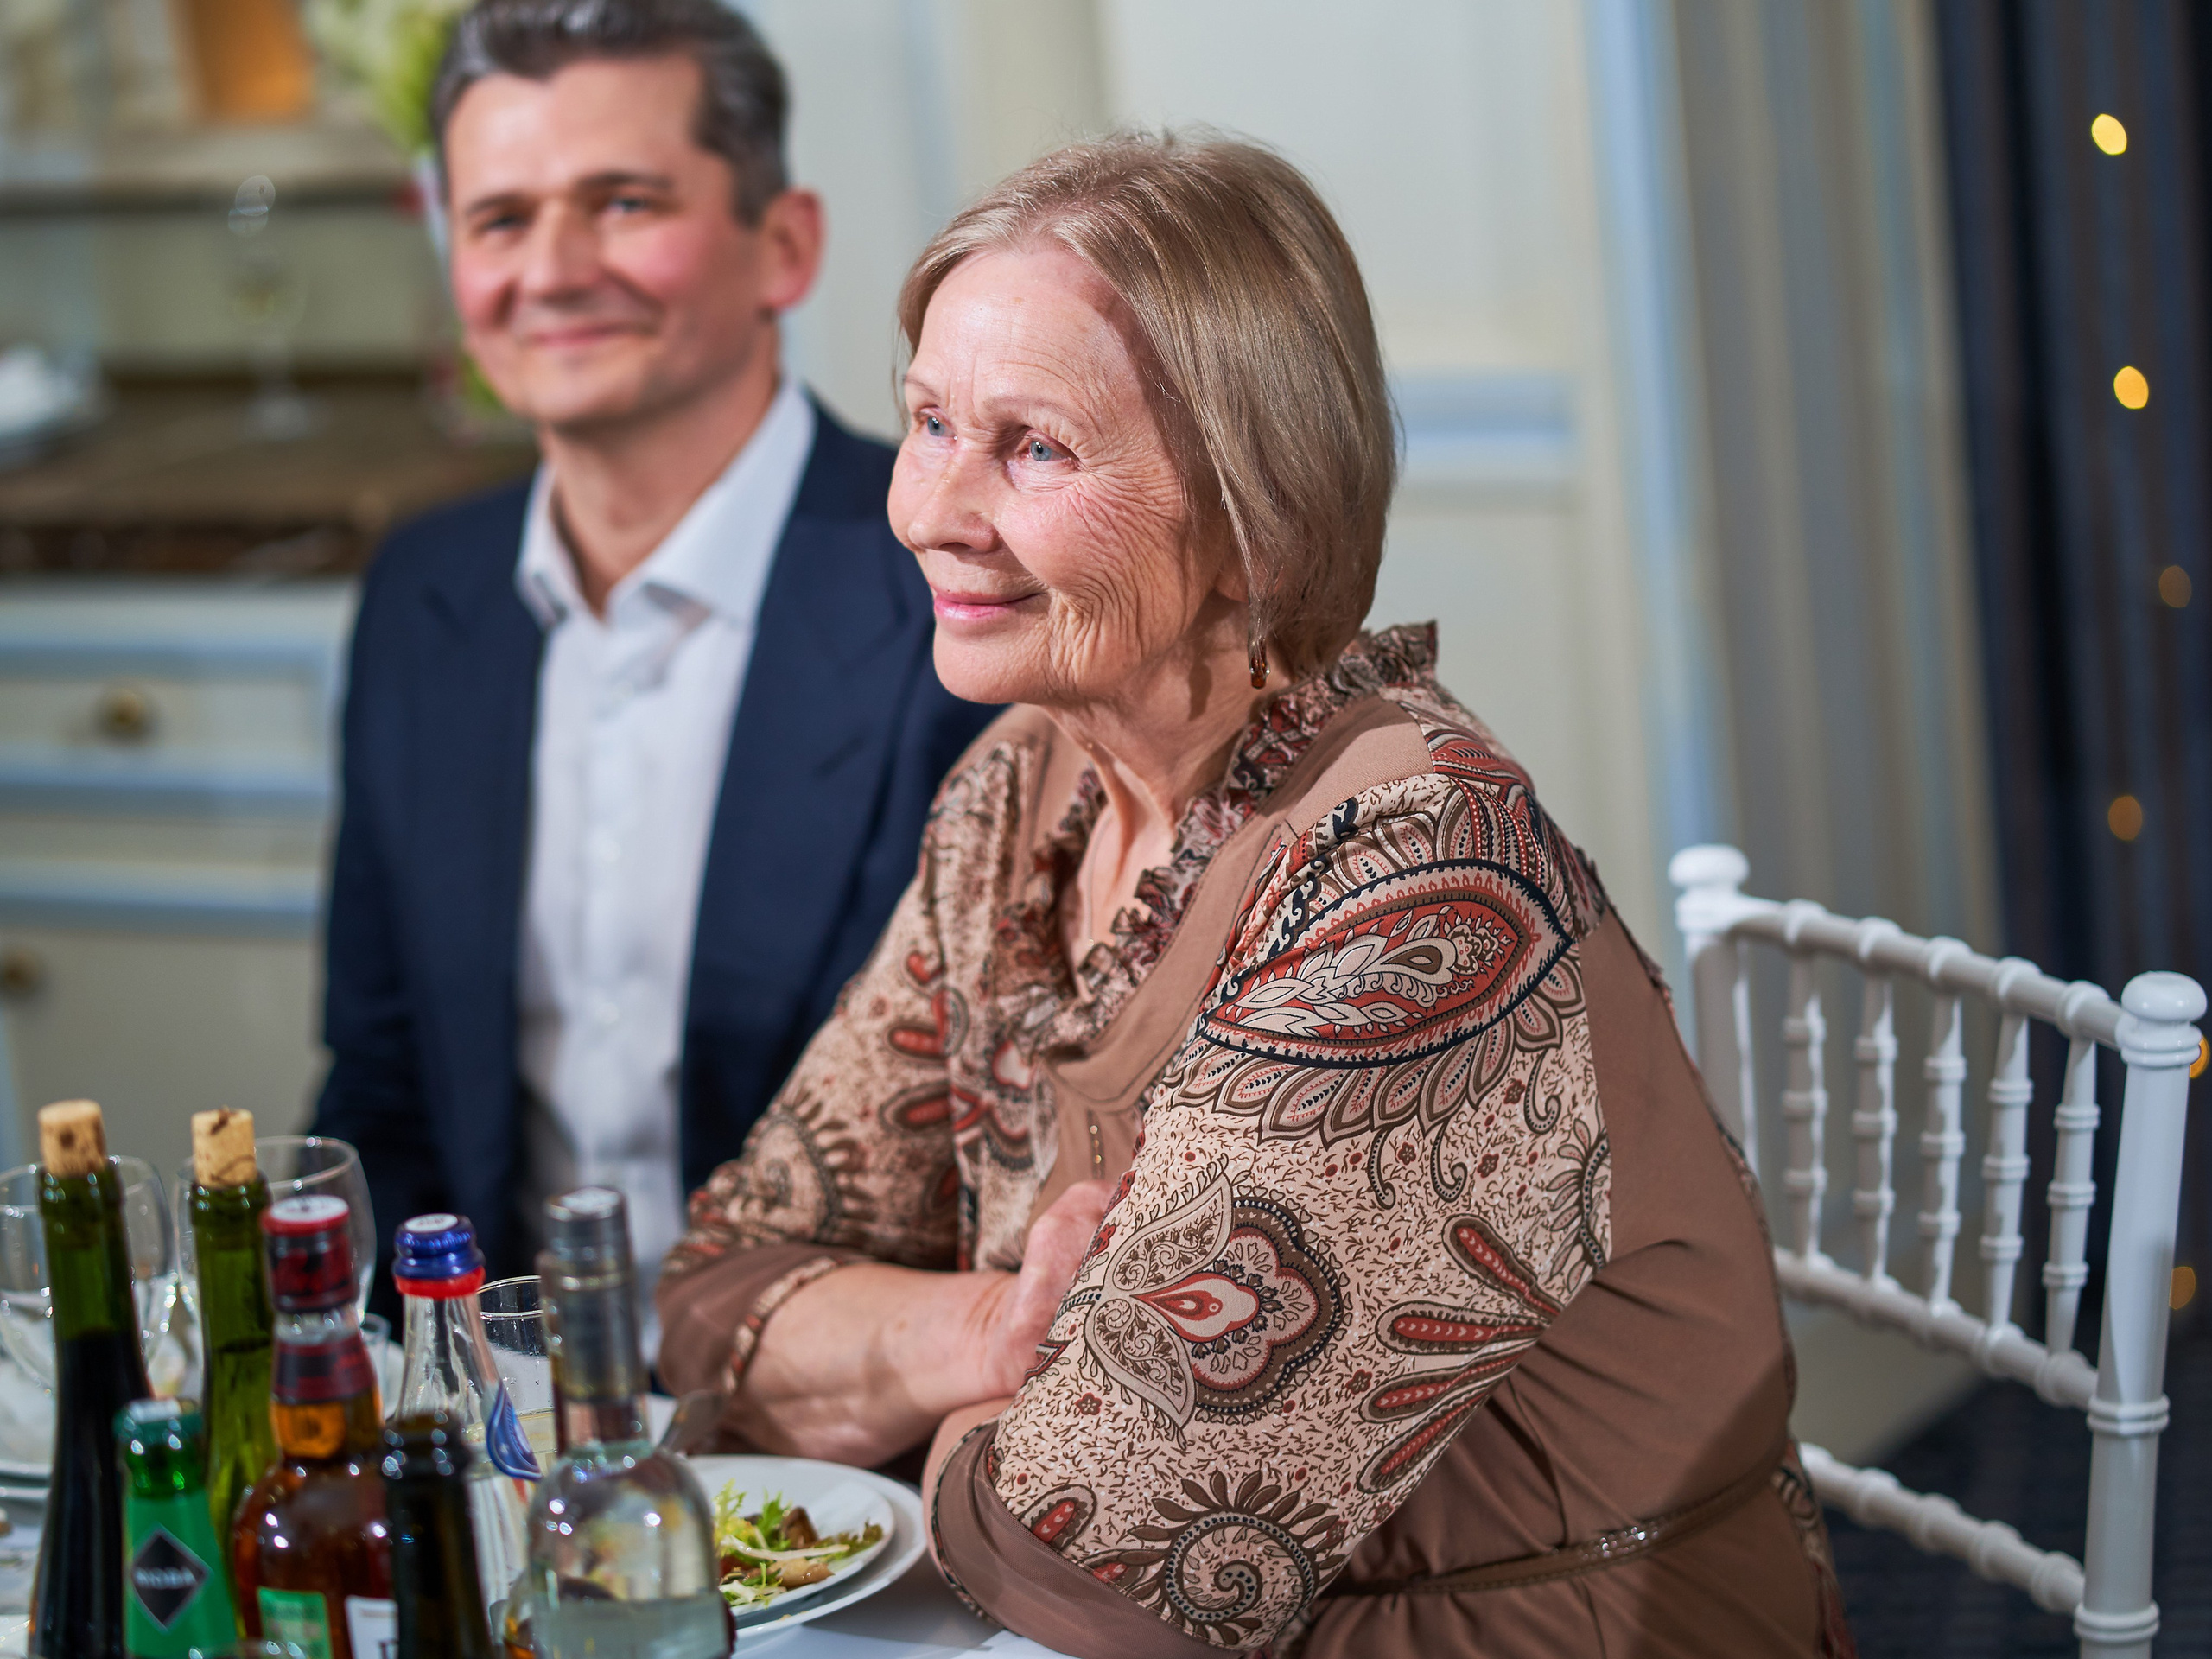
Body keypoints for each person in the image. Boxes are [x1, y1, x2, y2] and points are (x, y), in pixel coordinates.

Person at [657, 131, 1858, 1656]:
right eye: (929, 423)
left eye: (1032, 448)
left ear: (1255, 521)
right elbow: (716, 1290)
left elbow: (1094, 1558)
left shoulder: (1422, 887)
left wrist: (925, 1392)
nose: (929, 510)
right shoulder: (1018, 800)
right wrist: (995, 1333)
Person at [312, 0, 995, 1321]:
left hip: (858, 1444)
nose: (554, 269)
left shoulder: (957, 586)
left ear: (784, 246)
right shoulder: (421, 596)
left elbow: (1006, 1151)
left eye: (624, 202)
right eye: (501, 219)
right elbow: (381, 1088)